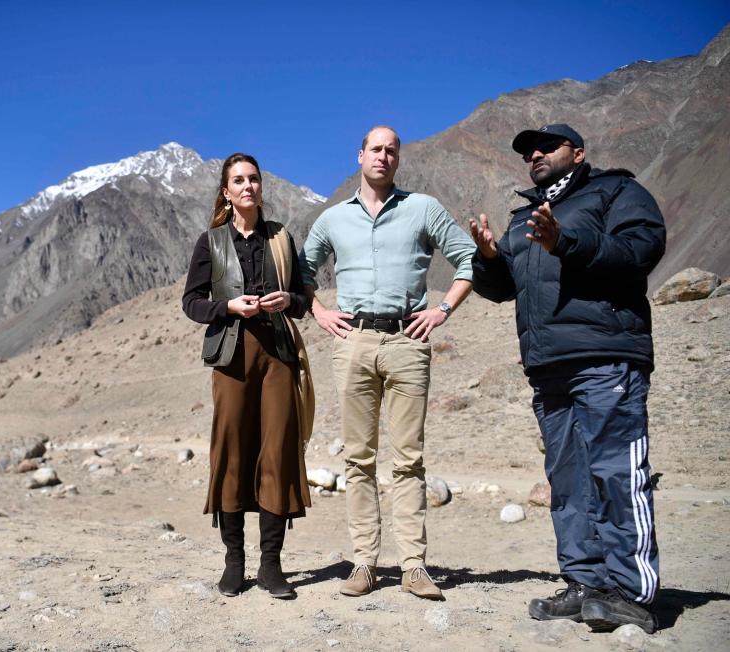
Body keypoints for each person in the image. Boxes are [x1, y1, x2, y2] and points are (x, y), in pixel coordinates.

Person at [469, 124, 665, 634]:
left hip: (605, 356)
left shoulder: (616, 192)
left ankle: (631, 591)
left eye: (547, 146)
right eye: (527, 151)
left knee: (616, 472)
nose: (534, 154)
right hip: (548, 366)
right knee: (569, 480)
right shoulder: (523, 218)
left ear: (577, 152)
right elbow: (503, 289)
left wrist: (568, 240)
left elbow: (642, 250)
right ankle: (586, 584)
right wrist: (489, 257)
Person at [300, 126, 476, 599]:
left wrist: (441, 310)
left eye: (391, 150)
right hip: (353, 342)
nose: (383, 156)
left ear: (399, 159)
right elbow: (301, 272)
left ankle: (414, 565)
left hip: (407, 341)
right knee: (358, 459)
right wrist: (319, 311)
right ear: (360, 155)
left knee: (409, 458)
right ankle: (364, 563)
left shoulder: (423, 209)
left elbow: (469, 259)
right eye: (375, 148)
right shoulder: (333, 219)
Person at [182, 152, 311, 600]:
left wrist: (287, 303)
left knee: (276, 450)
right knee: (232, 452)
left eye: (253, 179)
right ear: (226, 191)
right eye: (238, 180)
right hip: (231, 357)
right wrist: (227, 307)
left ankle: (272, 566)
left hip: (277, 354)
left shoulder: (281, 239)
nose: (247, 187)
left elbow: (303, 297)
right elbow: (192, 302)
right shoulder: (211, 241)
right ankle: (234, 562)